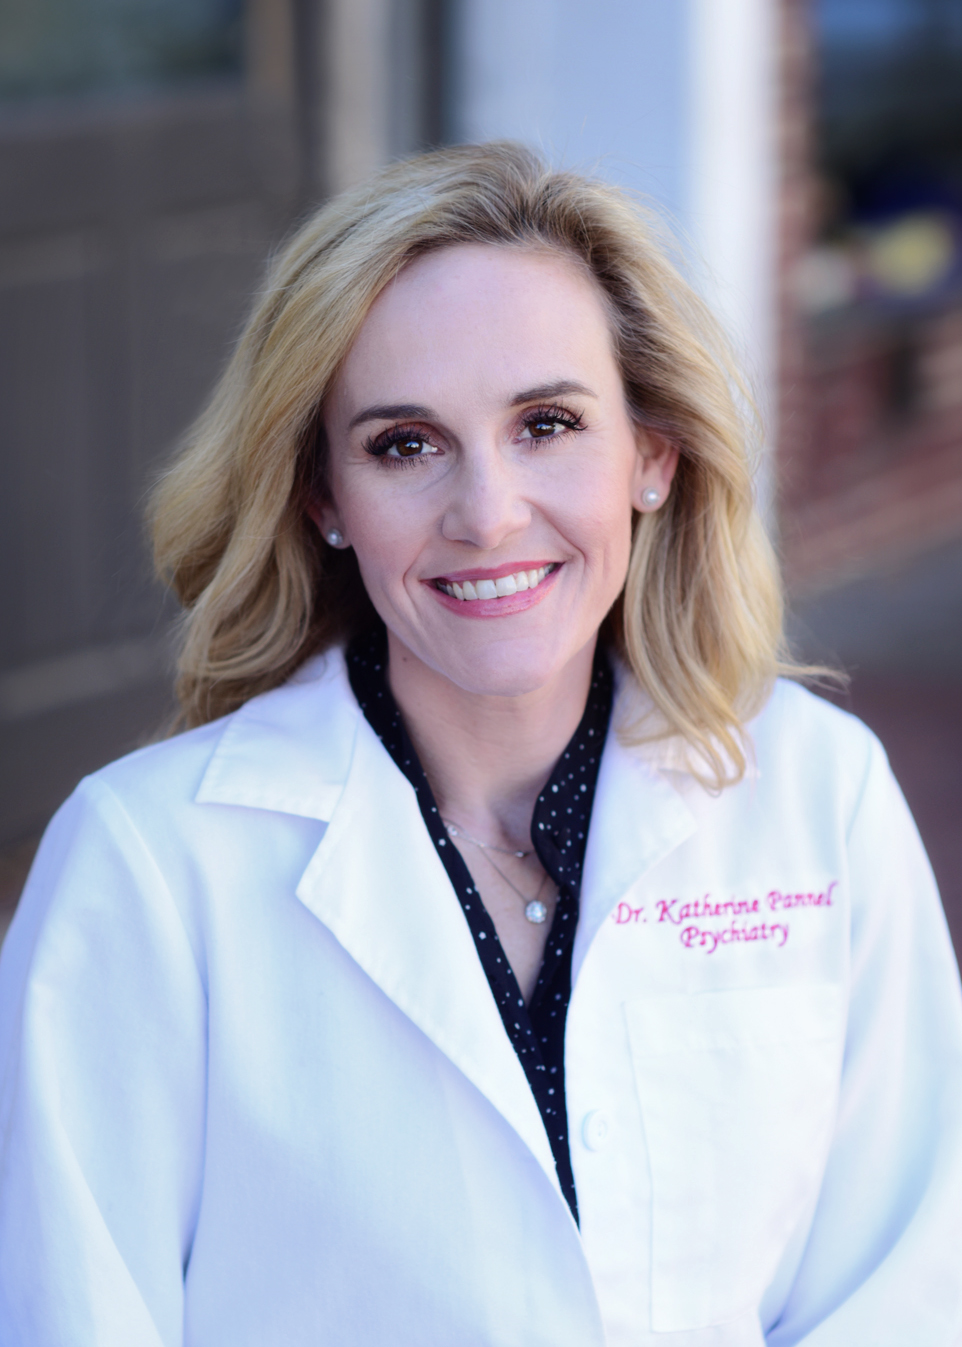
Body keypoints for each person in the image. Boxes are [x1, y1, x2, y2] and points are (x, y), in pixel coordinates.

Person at [1, 142, 960, 1346]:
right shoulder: (146, 864)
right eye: (403, 445)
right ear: (323, 498)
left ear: (650, 455)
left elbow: (905, 1281)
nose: (487, 514)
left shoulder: (820, 792)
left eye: (546, 424)